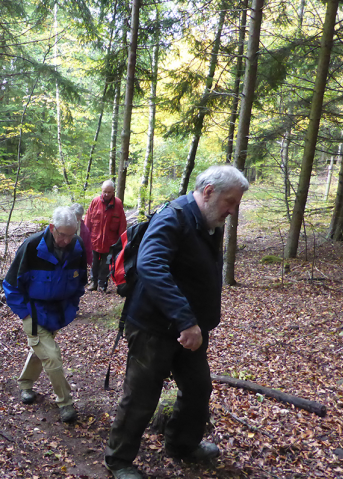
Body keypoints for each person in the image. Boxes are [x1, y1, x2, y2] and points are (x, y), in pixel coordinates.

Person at [103, 165, 249, 479]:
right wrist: (185, 320)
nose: (233, 210)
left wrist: (196, 322)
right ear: (209, 192)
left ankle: (182, 445)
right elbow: (150, 265)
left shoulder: (209, 223)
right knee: (141, 396)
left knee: (198, 389)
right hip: (153, 327)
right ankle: (119, 460)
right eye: (230, 201)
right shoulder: (173, 217)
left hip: (190, 329)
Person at [3, 207, 87, 423]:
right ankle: (65, 403)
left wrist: (72, 306)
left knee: (41, 350)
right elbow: (11, 284)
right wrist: (25, 314)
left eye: (71, 235)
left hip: (57, 313)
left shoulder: (77, 246)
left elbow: (80, 282)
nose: (67, 240)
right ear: (52, 228)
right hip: (33, 312)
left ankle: (25, 384)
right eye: (62, 235)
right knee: (52, 357)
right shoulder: (32, 246)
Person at [84, 180, 127, 292]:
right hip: (94, 241)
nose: (106, 194)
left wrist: (121, 242)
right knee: (93, 263)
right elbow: (87, 221)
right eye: (104, 192)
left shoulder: (118, 204)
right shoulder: (95, 202)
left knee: (106, 265)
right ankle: (93, 282)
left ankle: (102, 284)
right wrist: (85, 238)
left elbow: (122, 224)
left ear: (113, 192)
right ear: (101, 191)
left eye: (109, 192)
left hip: (110, 243)